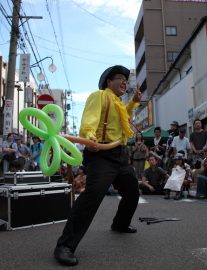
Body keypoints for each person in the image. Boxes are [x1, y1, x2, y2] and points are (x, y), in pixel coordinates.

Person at [54, 65, 141, 266]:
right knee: (93, 195)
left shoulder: (119, 102)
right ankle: (65, 245)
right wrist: (90, 138)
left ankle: (120, 224)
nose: (124, 81)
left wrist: (134, 102)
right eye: (119, 78)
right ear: (108, 82)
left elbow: (124, 118)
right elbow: (89, 121)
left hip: (120, 154)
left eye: (125, 79)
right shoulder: (99, 95)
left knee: (132, 191)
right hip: (101, 153)